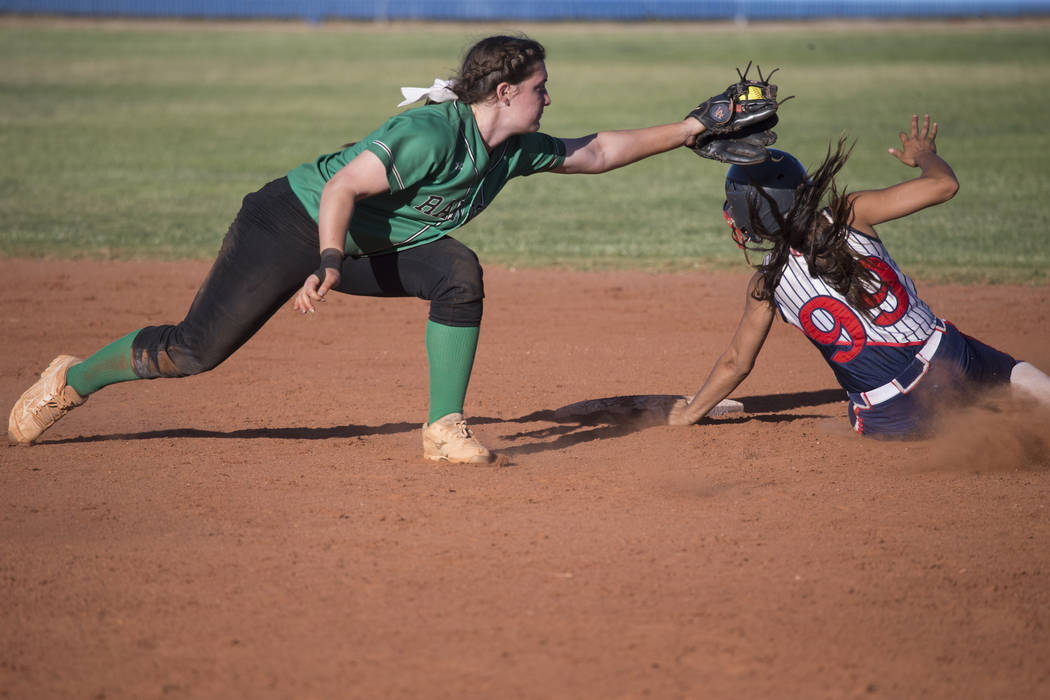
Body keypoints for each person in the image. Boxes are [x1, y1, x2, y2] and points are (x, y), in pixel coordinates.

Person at [9, 34, 752, 462]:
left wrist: (690, 128)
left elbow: (597, 151)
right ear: (502, 94)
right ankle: (75, 378)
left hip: (357, 244)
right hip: (294, 223)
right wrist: (329, 260)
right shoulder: (430, 133)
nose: (549, 98)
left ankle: (441, 428)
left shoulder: (509, 150)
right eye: (540, 87)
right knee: (196, 351)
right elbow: (340, 192)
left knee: (457, 271)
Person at [669, 114, 1050, 437]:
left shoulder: (765, 285)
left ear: (747, 217)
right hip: (952, 360)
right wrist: (925, 155)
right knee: (1013, 372)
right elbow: (944, 185)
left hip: (890, 414)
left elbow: (737, 362)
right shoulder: (850, 213)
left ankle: (975, 427)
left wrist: (687, 414)